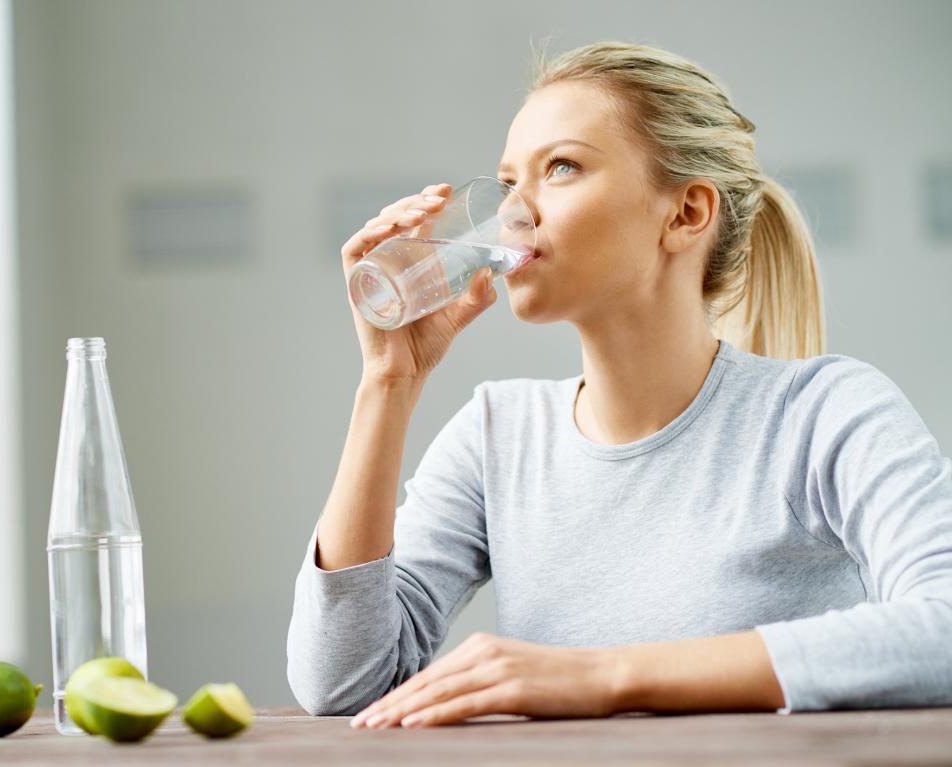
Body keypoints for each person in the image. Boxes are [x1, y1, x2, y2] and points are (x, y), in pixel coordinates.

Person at [286, 41, 952, 728]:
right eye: (509, 183)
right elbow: (341, 685)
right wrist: (387, 383)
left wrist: (607, 675)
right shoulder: (496, 434)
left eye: (562, 167)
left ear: (686, 213)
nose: (513, 215)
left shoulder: (823, 415)